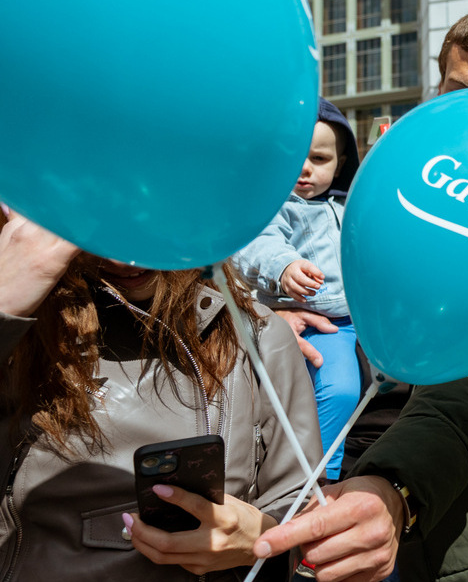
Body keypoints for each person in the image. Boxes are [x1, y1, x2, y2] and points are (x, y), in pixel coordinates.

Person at [252, 9, 468, 582]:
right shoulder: (394, 184)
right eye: (454, 91)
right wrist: (268, 315)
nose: (467, 117)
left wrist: (392, 489)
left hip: (453, 542)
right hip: (343, 482)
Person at [0, 211, 322, 581]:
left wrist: (260, 539)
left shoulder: (261, 339)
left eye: (141, 219)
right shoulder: (22, 329)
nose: (121, 259)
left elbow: (302, 509)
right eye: (98, 224)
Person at [234, 98, 362, 480]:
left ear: (340, 164)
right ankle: (318, 475)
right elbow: (258, 244)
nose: (305, 169)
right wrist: (285, 266)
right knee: (338, 389)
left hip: (358, 318)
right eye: (292, 157)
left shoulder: (344, 206)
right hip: (318, 323)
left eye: (320, 159)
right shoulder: (277, 205)